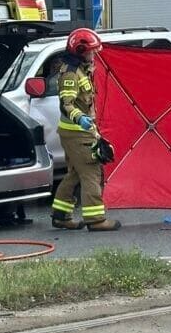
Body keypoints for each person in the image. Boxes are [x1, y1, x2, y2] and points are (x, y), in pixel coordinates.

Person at [50, 28, 122, 232]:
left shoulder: (82, 69)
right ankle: (96, 219)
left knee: (74, 174)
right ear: (79, 51)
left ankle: (61, 215)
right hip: (77, 132)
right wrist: (80, 118)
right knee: (92, 172)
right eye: (90, 51)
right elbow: (67, 104)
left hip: (76, 132)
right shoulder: (71, 74)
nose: (93, 55)